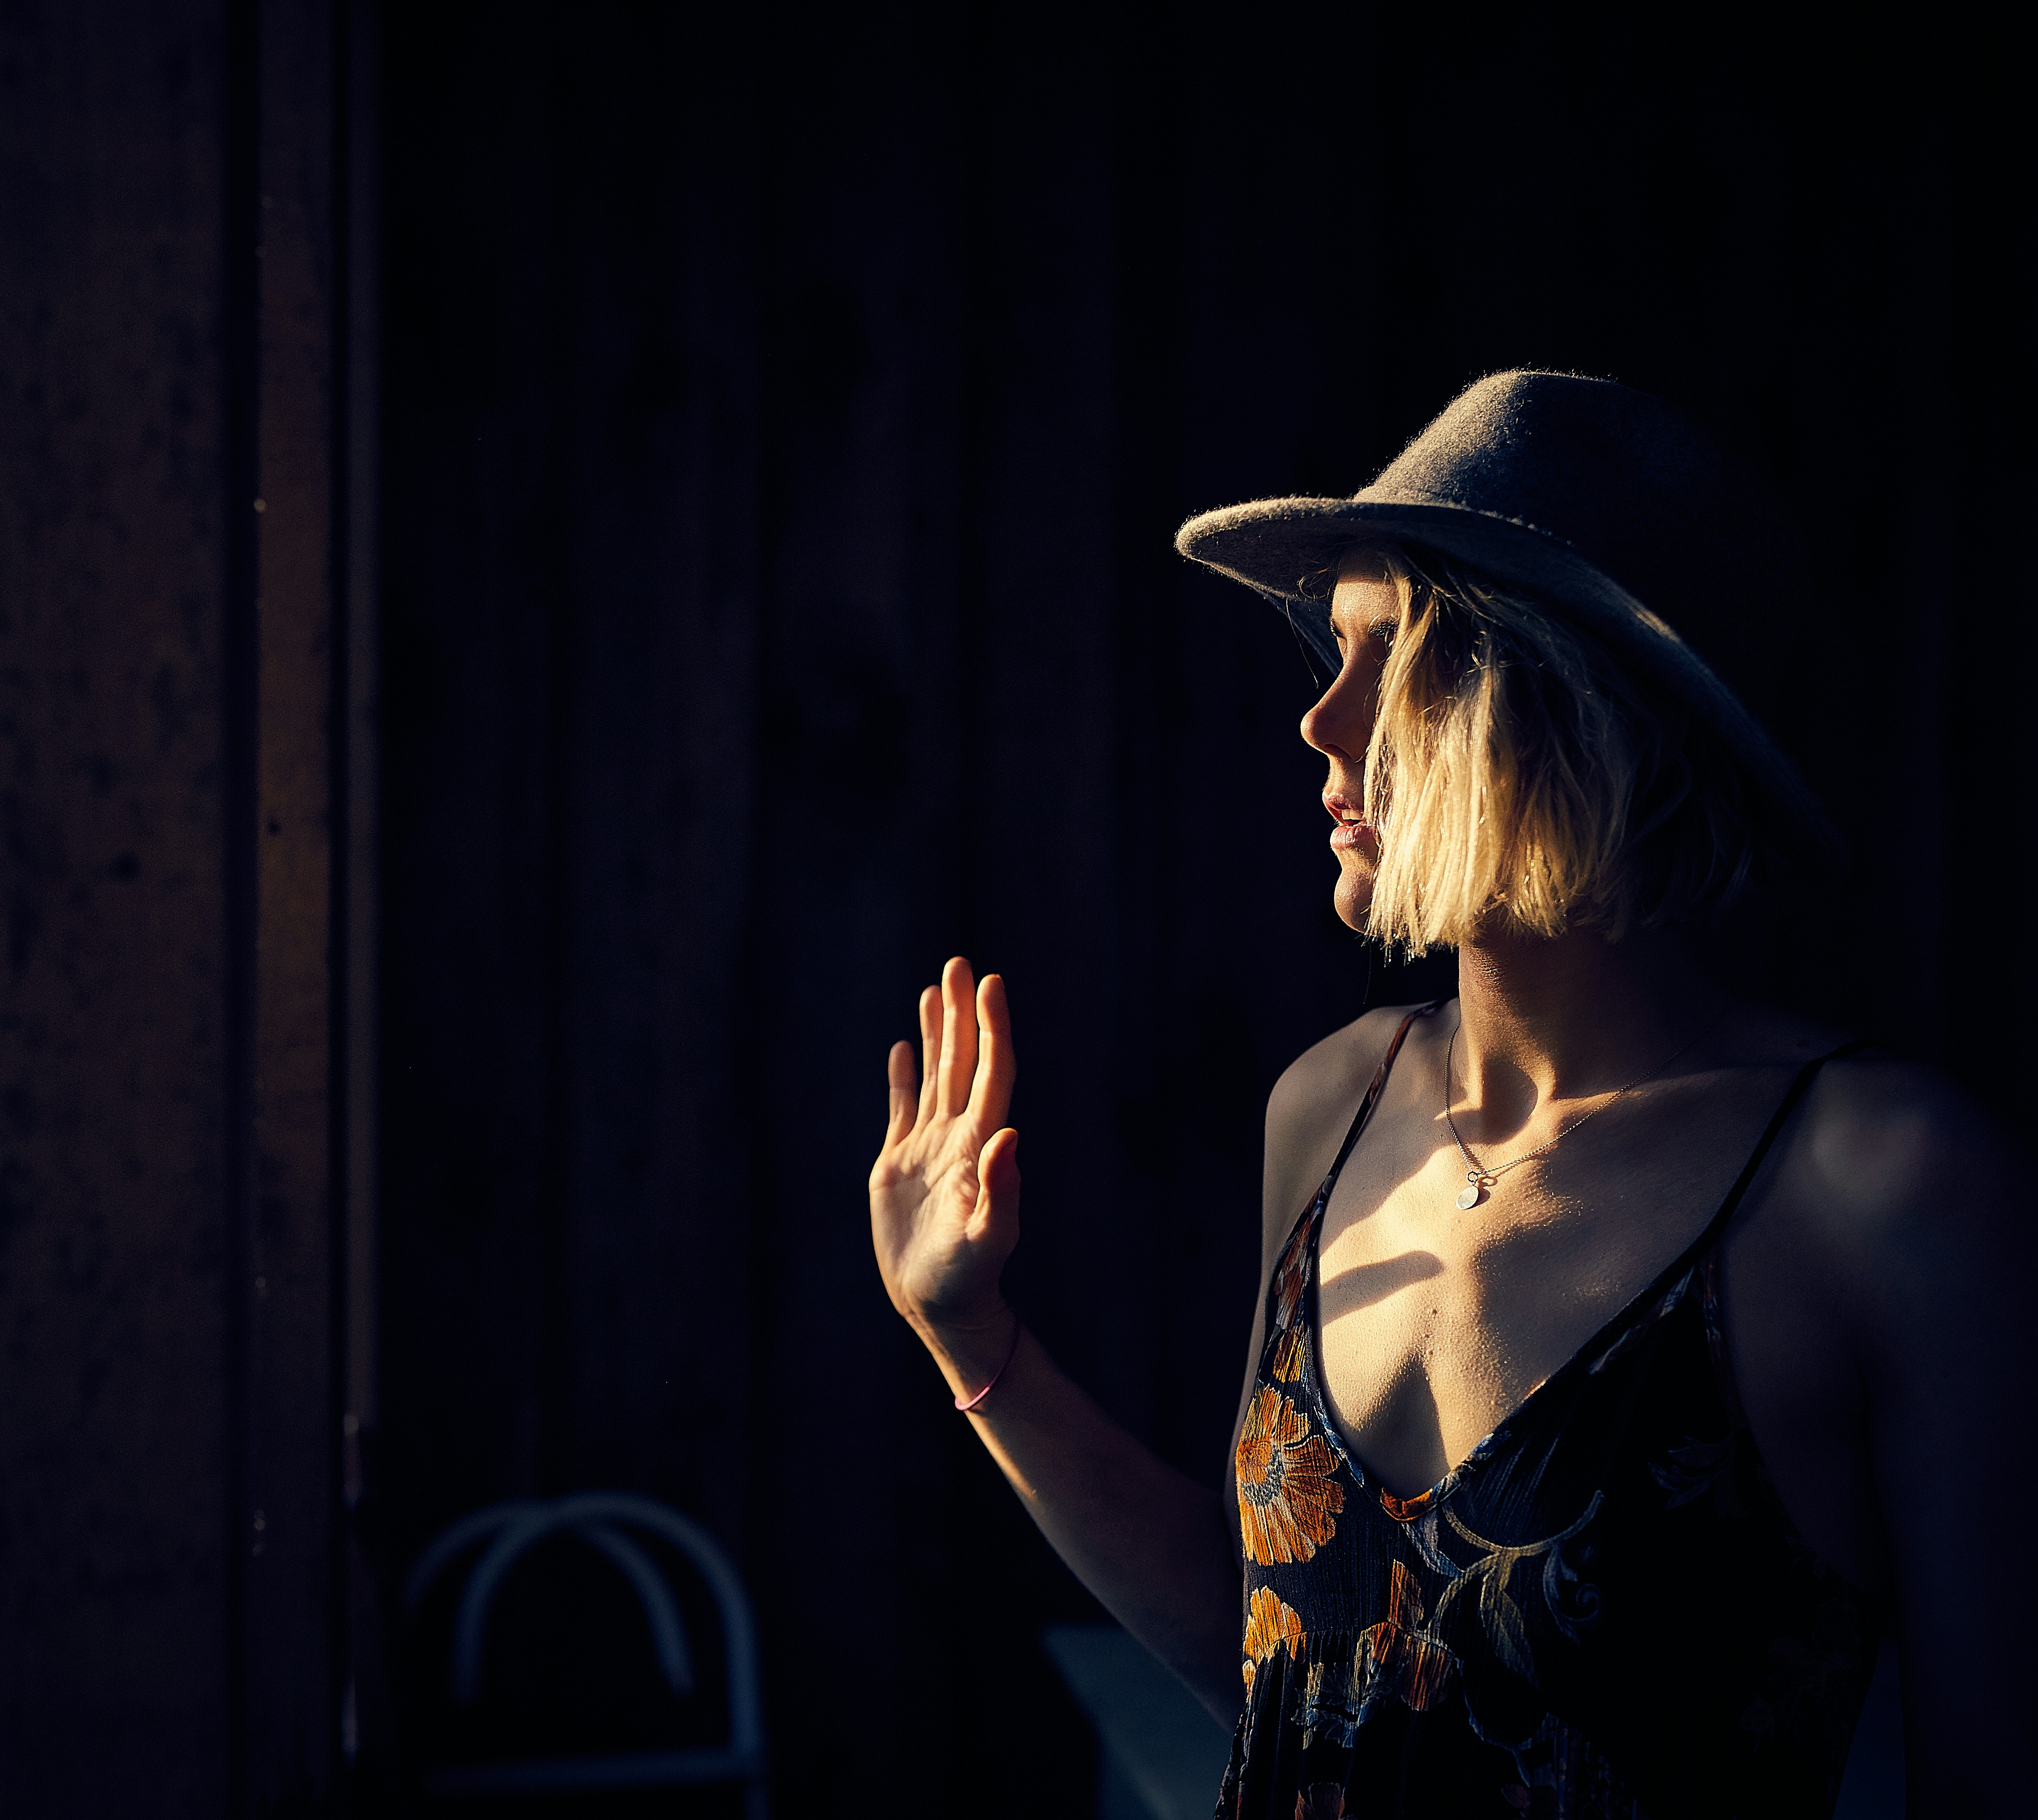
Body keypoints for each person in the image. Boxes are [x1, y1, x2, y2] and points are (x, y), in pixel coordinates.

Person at [866, 373, 2021, 1814]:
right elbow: (1279, 1667)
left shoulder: (1882, 1188)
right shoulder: (1332, 1106)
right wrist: (971, 1334)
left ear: (1573, 706)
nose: (1321, 723)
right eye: (1326, 654)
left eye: (1392, 660)